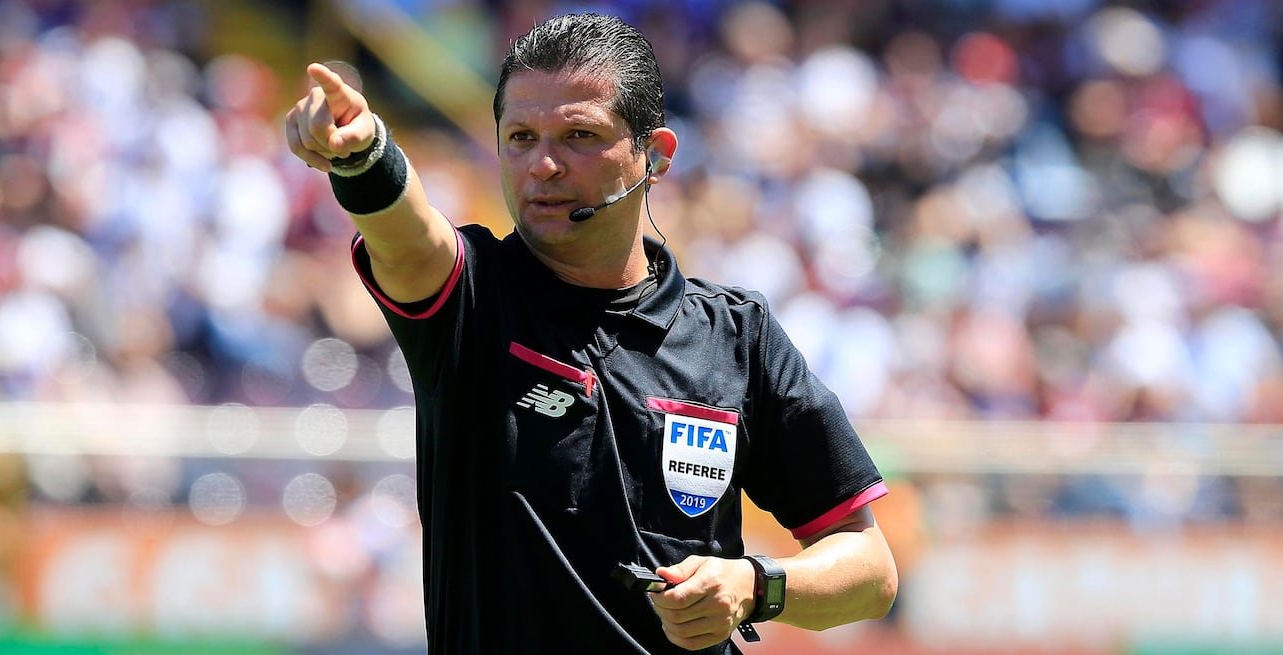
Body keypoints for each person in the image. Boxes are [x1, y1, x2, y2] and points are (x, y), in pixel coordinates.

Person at [284, 13, 896, 654]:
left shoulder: (737, 336)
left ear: (655, 155)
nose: (543, 164)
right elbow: (409, 238)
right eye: (520, 137)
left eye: (580, 136)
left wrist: (754, 584)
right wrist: (364, 156)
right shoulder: (471, 298)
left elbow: (870, 571)